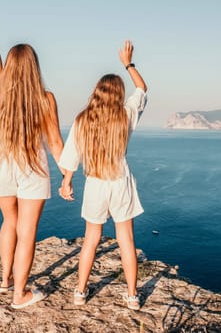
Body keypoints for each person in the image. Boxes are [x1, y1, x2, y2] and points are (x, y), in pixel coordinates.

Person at [0, 0, 64, 309]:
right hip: (32, 168)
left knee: (9, 223)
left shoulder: (1, 91)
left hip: (2, 165)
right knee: (27, 230)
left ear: (11, 66)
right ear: (34, 66)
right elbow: (56, 142)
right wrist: (68, 174)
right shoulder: (46, 99)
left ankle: (6, 281)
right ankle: (21, 294)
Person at [58, 40, 147, 310]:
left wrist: (66, 181)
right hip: (120, 180)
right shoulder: (126, 115)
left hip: (95, 182)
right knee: (126, 240)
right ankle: (132, 296)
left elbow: (71, 154)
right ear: (119, 94)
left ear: (96, 92)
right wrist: (128, 64)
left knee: (91, 239)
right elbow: (142, 89)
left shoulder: (83, 119)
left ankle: (80, 291)